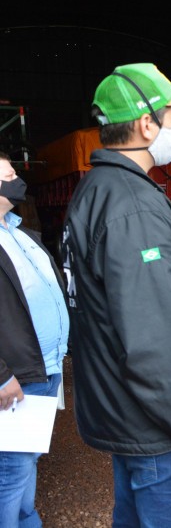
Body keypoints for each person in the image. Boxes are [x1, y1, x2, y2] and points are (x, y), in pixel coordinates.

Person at [61, 63, 171, 527]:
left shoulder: (95, 190)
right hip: (161, 430)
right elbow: (156, 344)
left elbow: (119, 307)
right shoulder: (133, 206)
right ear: (145, 124)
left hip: (128, 413)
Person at [0, 153, 69, 528]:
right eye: (8, 174)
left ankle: (27, 519)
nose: (17, 178)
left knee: (26, 457)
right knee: (10, 468)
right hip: (17, 375)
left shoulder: (18, 231)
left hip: (46, 364)